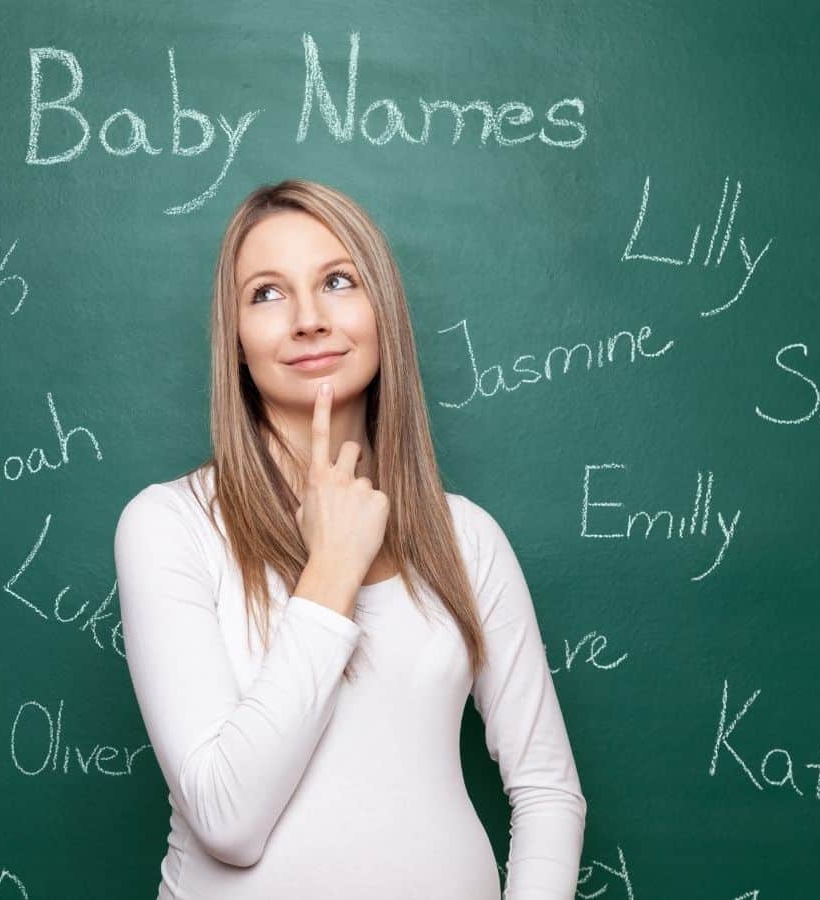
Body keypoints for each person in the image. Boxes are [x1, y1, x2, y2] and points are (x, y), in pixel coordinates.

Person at [113, 179, 586, 899]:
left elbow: (548, 790)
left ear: (382, 312)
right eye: (267, 294)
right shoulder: (169, 525)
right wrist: (331, 567)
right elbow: (227, 821)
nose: (308, 319)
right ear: (236, 343)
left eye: (337, 281)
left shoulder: (468, 538)